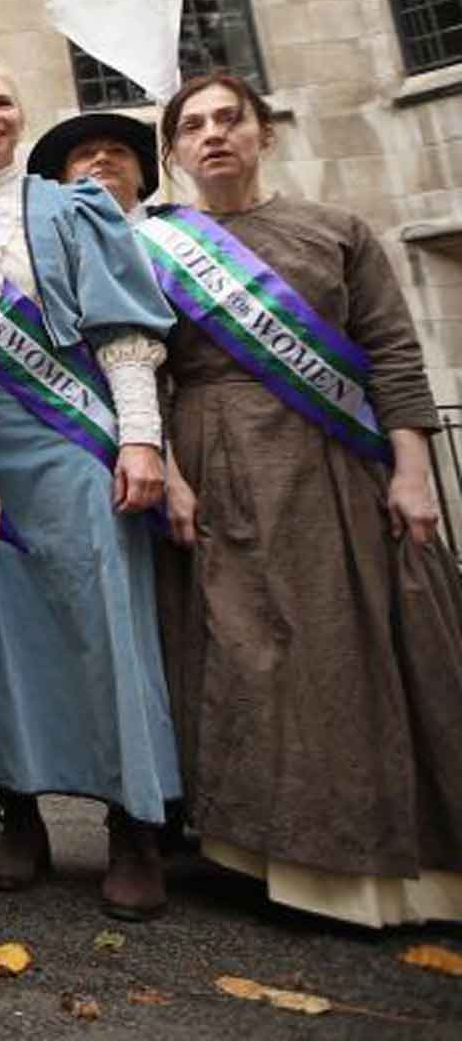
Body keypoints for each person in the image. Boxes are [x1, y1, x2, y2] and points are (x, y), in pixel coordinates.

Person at [151, 71, 462, 927]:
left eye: (229, 120)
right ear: (174, 152)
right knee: (252, 657)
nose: (213, 136)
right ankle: (270, 854)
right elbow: (148, 368)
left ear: (265, 132)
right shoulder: (154, 248)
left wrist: (410, 470)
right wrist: (174, 474)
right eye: (193, 127)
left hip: (335, 468)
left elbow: (395, 354)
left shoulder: (337, 231)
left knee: (349, 650)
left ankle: (387, 863)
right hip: (217, 463)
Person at [0, 62, 179, 921]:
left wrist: (140, 437)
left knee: (106, 625)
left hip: (76, 443)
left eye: (3, 100)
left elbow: (125, 330)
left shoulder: (73, 207)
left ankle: (134, 825)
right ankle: (21, 814)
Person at [27, 112, 159, 223]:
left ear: (142, 174)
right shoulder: (53, 242)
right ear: (62, 180)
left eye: (117, 151)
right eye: (85, 154)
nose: (102, 158)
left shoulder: (177, 227)